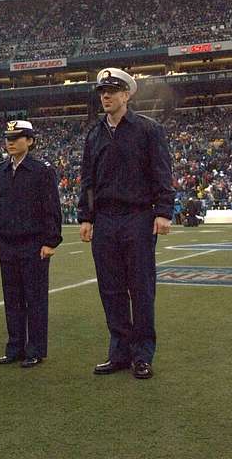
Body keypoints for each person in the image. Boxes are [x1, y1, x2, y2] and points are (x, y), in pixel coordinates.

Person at [78, 68, 174, 379]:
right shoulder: (93, 134)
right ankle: (119, 351)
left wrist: (163, 211)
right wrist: (86, 217)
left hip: (138, 217)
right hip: (105, 219)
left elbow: (161, 172)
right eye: (102, 91)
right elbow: (88, 182)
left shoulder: (148, 129)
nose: (105, 96)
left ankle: (143, 354)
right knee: (111, 288)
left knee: (141, 288)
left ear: (127, 94)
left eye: (112, 90)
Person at [0, 120, 62, 368]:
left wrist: (51, 241)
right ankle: (14, 347)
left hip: (34, 244)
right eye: (8, 137)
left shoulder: (42, 171)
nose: (10, 141)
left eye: (17, 137)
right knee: (12, 299)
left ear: (29, 141)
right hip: (8, 244)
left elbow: (52, 208)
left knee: (35, 299)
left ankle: (35, 349)